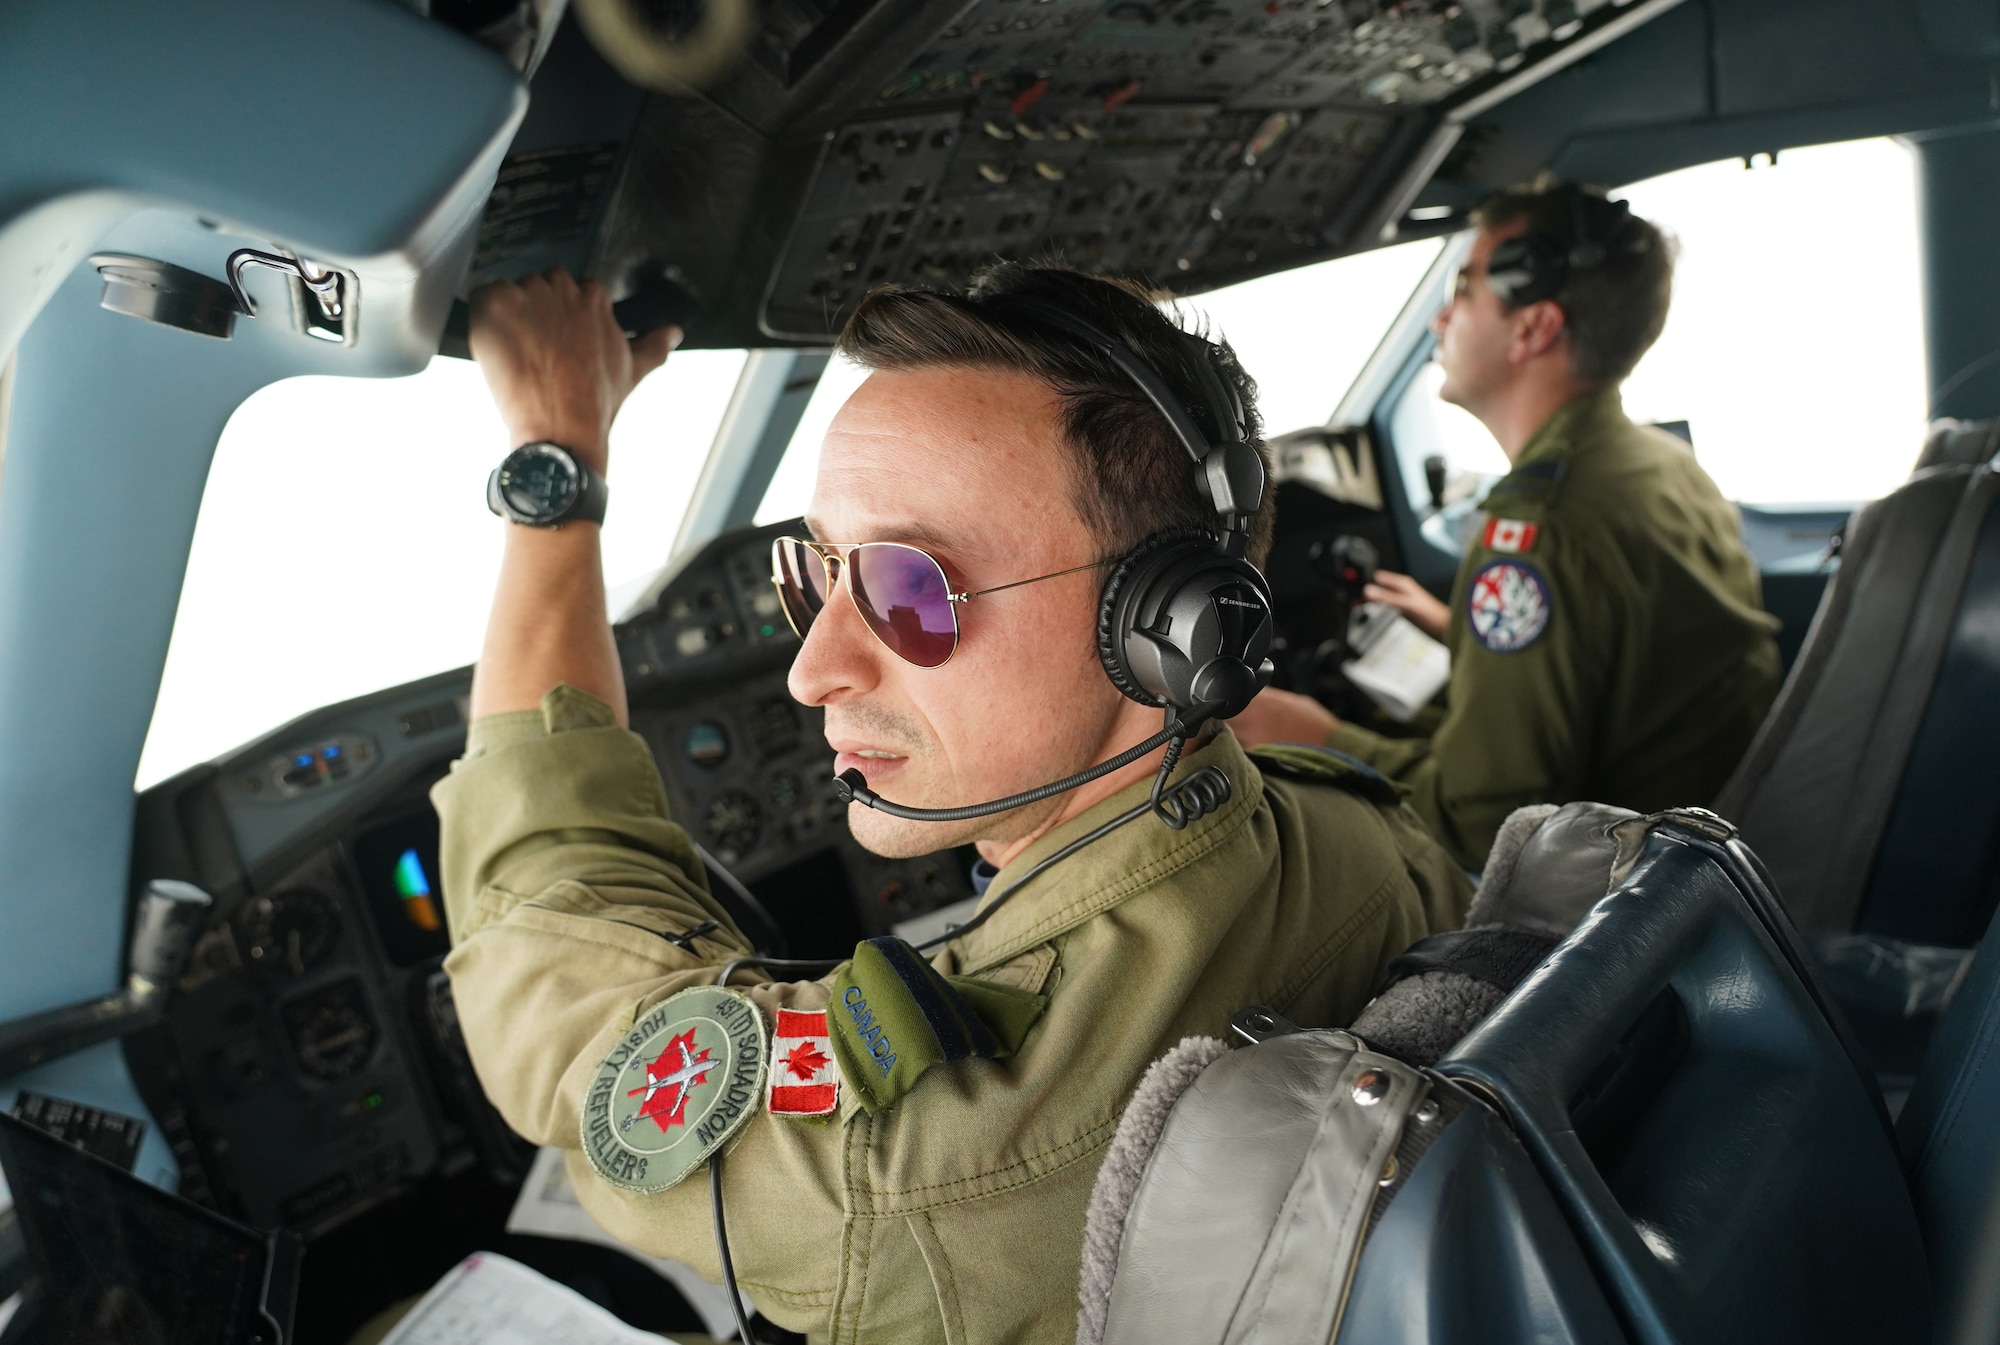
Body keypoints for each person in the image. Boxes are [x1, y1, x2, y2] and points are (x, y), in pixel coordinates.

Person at [434, 263, 1471, 1343]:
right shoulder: (1355, 826)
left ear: (1169, 629)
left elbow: (555, 997)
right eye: (816, 572)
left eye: (907, 588)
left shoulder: (917, 1161)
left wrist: (559, 466)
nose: (812, 670)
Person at [1232, 182, 1783, 872]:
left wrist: (1316, 736)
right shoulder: (1659, 463)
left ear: (1533, 328)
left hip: (1624, 889)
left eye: (1463, 292)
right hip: (1708, 843)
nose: (1440, 321)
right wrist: (1464, 626)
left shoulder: (1539, 533)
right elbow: (1611, 662)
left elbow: (1484, 825)